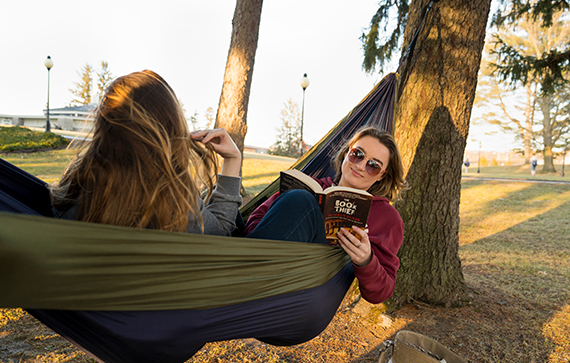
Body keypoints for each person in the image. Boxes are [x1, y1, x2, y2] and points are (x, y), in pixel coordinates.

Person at [50, 70, 242, 236]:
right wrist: (232, 160)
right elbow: (220, 232)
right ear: (170, 126)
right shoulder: (172, 202)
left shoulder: (73, 187)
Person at [245, 127, 407, 304]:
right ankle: (250, 276)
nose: (360, 166)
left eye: (373, 166)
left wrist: (366, 261)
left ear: (382, 176)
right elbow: (254, 221)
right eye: (357, 154)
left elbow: (382, 292)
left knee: (301, 199)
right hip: (269, 272)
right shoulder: (309, 187)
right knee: (301, 198)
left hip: (311, 297)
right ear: (347, 152)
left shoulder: (387, 218)